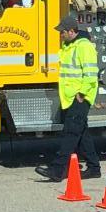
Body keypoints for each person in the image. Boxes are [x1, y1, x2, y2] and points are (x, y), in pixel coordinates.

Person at [35, 14, 101, 182]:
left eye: (62, 32)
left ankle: (57, 170)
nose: (60, 34)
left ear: (72, 31)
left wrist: (82, 94)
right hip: (71, 97)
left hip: (80, 97)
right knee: (82, 133)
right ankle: (94, 168)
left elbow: (91, 74)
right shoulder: (68, 46)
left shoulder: (84, 47)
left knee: (70, 133)